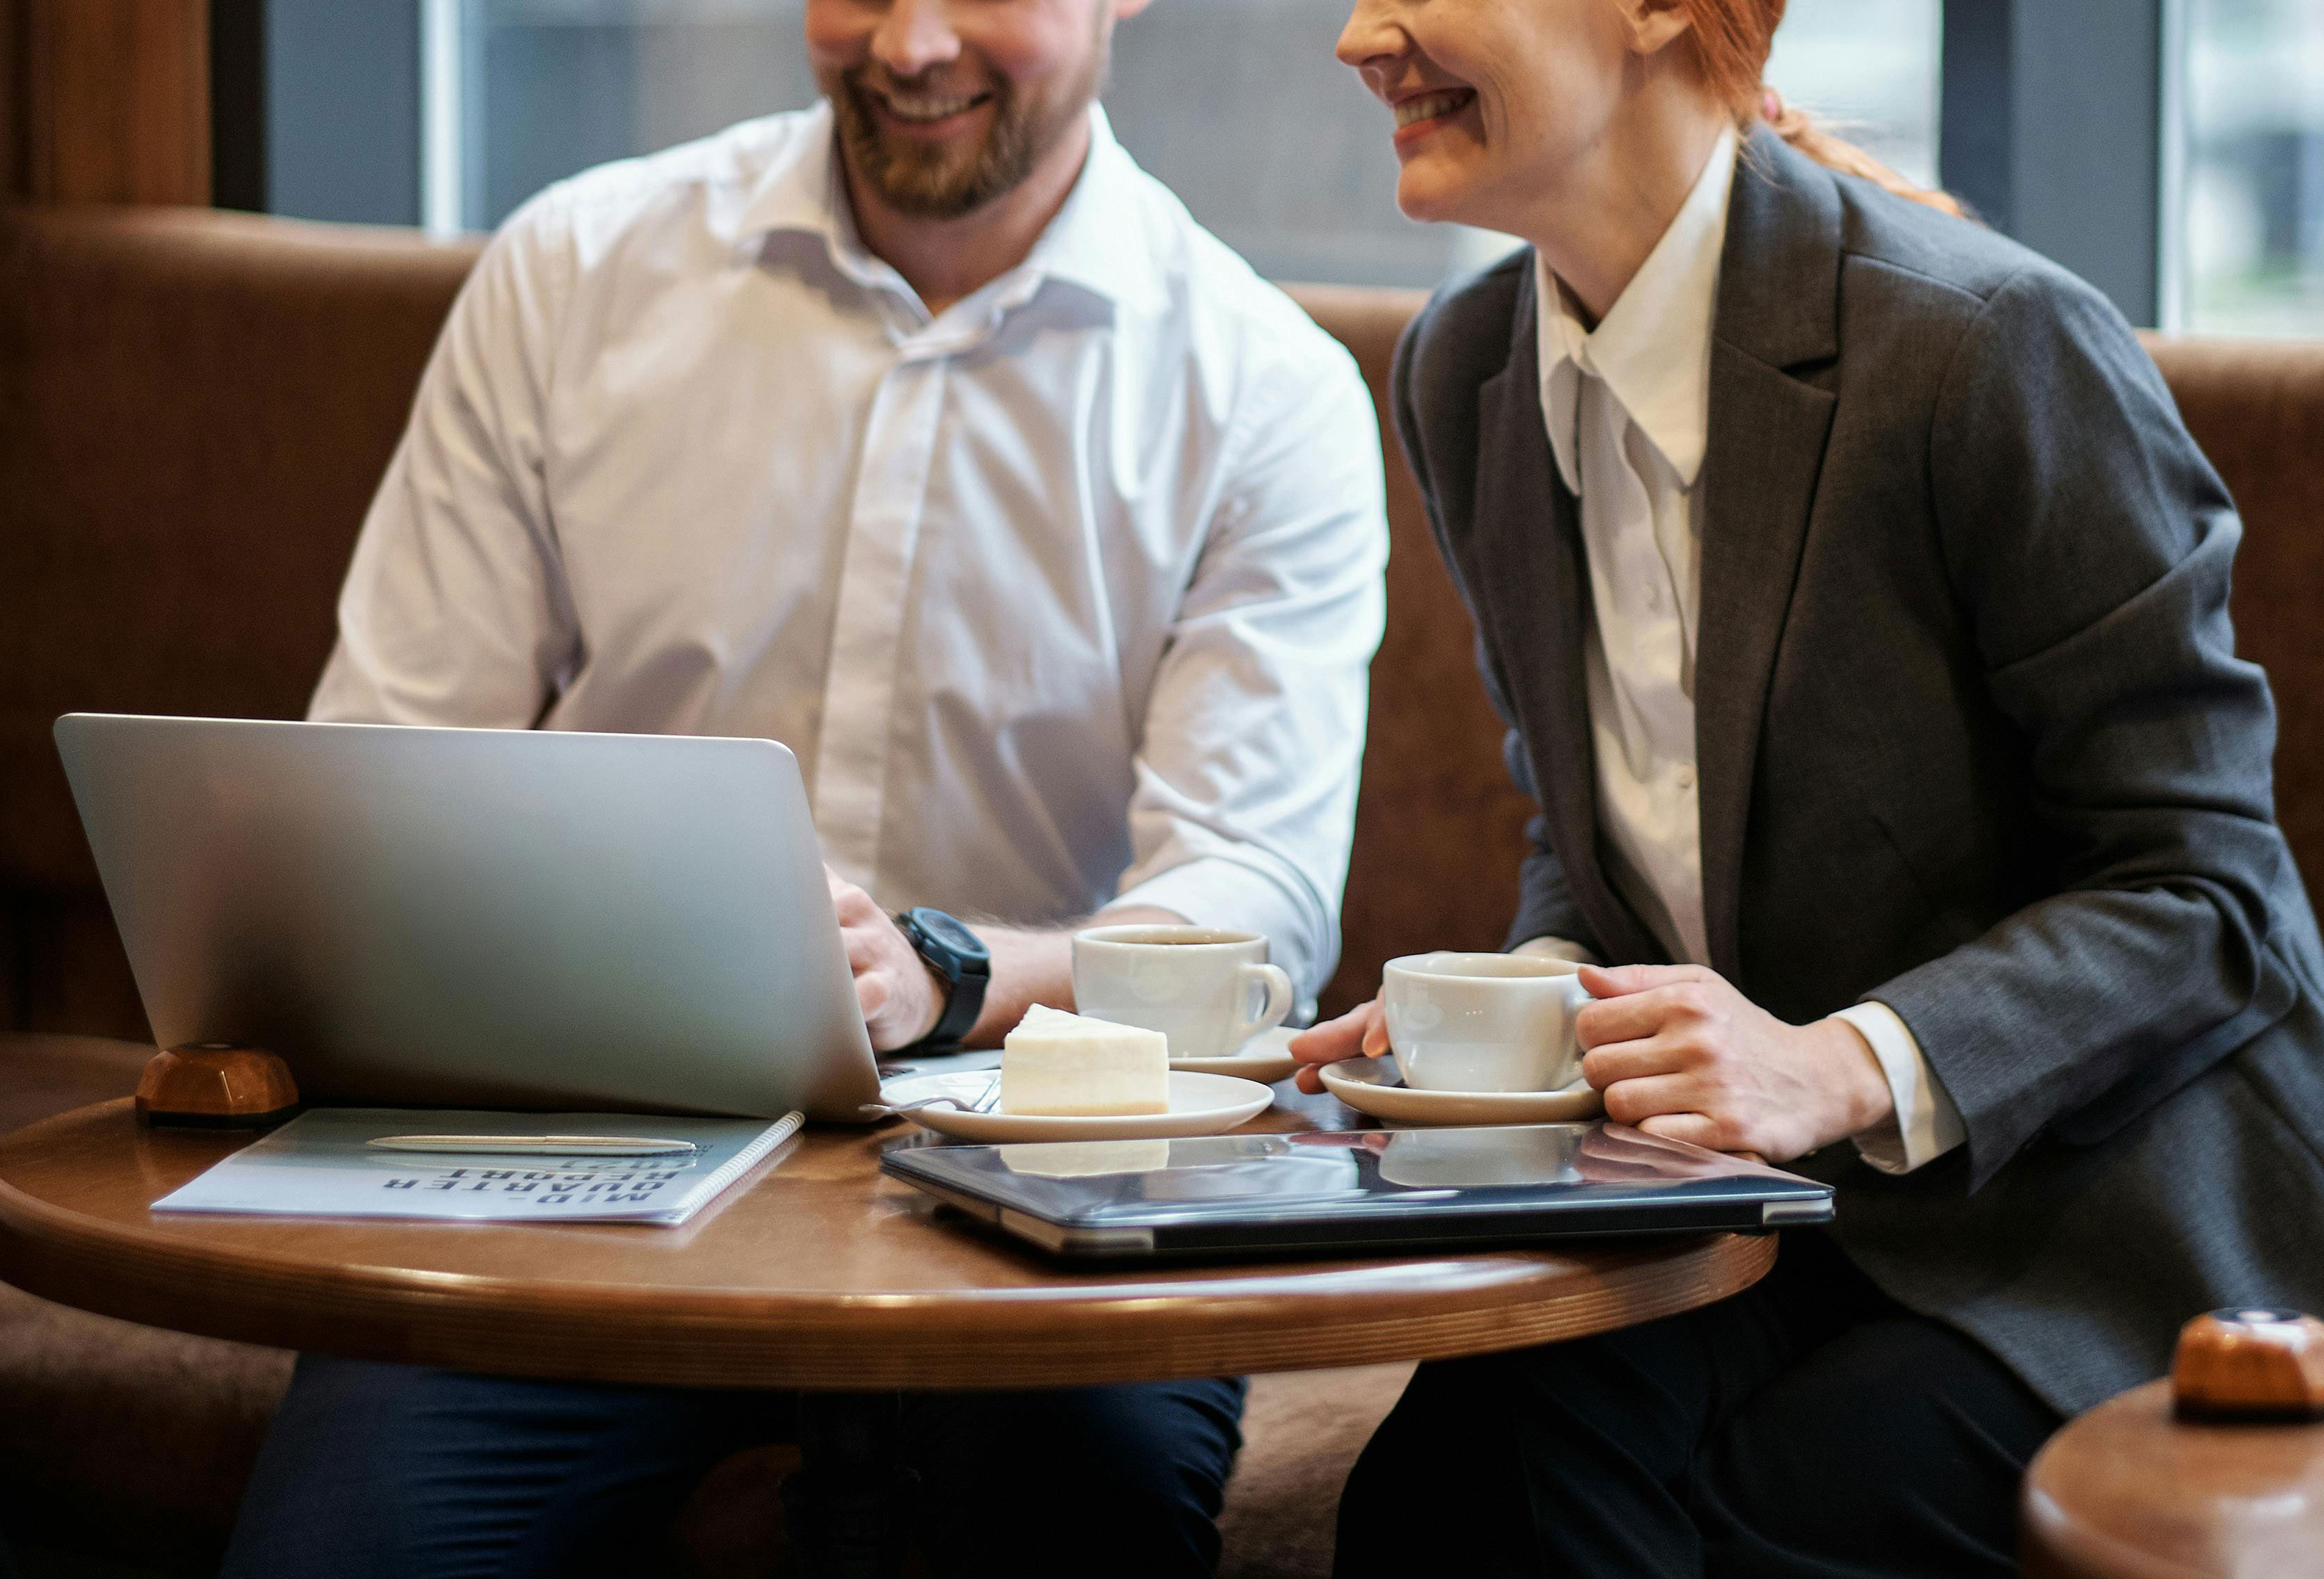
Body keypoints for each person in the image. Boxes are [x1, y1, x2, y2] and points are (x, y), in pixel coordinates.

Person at [219, 0, 1387, 1573]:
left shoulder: (1263, 387)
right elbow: (380, 768)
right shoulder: (576, 271)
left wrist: (943, 972)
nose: (907, 44)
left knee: (1078, 1526)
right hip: (575, 1170)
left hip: (1045, 1198)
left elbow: (1252, 906)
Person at [1292, 1, 2324, 1575]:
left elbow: (2209, 894)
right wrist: (1517, 998)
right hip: (1754, 1216)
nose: (1363, 34)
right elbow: (1587, 831)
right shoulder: (1467, 371)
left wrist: (1834, 1064)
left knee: (1769, 1514)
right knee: (1451, 1497)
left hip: (2092, 1215)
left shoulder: (1983, 348)